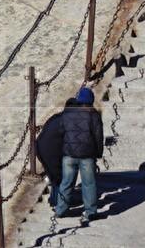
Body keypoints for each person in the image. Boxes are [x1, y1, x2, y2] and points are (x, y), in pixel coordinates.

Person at [54, 86, 103, 225]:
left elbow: (60, 132)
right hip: (87, 155)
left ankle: (60, 210)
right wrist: (98, 153)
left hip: (69, 154)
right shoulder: (93, 114)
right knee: (89, 184)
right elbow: (98, 136)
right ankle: (91, 212)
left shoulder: (67, 113)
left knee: (67, 182)